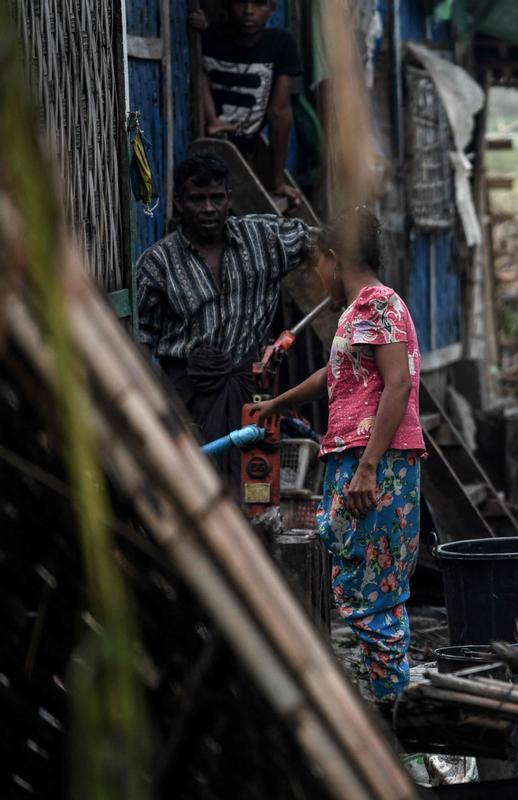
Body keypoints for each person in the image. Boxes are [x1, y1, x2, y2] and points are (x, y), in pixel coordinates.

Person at [253, 208, 424, 700]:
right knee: (361, 586)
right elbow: (338, 373)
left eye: (317, 266)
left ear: (333, 258)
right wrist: (277, 403)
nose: (318, 277)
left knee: (373, 595)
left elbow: (398, 384)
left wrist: (368, 467)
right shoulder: (361, 311)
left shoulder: (378, 304)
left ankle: (395, 720)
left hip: (377, 466)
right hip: (359, 463)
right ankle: (388, 707)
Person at [137, 153, 312, 486]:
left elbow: (323, 244)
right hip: (188, 397)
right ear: (179, 203)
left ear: (229, 199)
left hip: (252, 393)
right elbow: (138, 341)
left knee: (257, 487)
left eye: (216, 198)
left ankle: (254, 536)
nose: (208, 208)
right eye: (197, 199)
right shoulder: (156, 263)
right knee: (195, 487)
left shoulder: (263, 238)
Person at [190, 0, 305, 207]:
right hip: (208, 154)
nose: (248, 11)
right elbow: (198, 75)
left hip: (248, 154)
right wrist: (213, 120)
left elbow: (279, 113)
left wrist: (277, 181)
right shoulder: (207, 36)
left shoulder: (280, 43)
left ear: (272, 9)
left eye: (259, 3)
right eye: (240, 2)